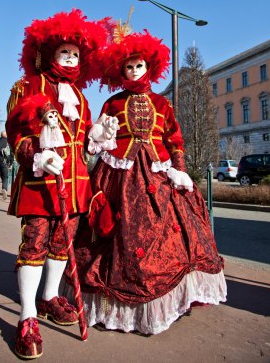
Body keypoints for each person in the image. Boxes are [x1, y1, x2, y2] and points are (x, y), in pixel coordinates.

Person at [61, 26, 227, 335]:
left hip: (159, 175)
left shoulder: (163, 105)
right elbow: (95, 140)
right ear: (121, 69)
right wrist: (97, 137)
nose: (134, 71)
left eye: (139, 65)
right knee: (108, 233)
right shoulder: (112, 103)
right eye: (128, 66)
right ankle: (114, 309)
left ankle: (165, 304)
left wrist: (179, 170)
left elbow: (174, 140)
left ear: (148, 67)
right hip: (117, 176)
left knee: (173, 236)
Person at [6, 9, 110, 359]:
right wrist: (37, 154)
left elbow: (83, 144)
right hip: (40, 186)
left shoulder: (81, 98)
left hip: (75, 186)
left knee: (61, 246)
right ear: (49, 53)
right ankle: (27, 316)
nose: (70, 59)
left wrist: (97, 137)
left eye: (75, 54)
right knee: (34, 244)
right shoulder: (27, 86)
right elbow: (16, 132)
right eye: (64, 52)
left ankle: (49, 298)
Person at [0, 131, 14, 200]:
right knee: (5, 178)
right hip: (5, 163)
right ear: (6, 136)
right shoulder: (8, 143)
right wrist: (11, 163)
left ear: (0, 135)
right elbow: (12, 154)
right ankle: (4, 188)